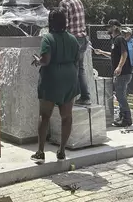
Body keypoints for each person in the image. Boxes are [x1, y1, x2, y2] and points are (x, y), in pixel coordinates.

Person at [31, 8, 80, 163]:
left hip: (51, 79)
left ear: (50, 22)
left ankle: (40, 152)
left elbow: (46, 60)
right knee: (66, 116)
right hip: (70, 78)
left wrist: (37, 60)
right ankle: (62, 151)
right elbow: (76, 60)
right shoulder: (73, 39)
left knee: (44, 116)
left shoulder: (48, 38)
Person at [94, 19, 133, 127]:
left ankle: (127, 119)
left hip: (123, 73)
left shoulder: (120, 39)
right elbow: (113, 55)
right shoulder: (115, 40)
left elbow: (124, 54)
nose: (107, 29)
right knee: (120, 95)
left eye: (109, 27)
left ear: (115, 27)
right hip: (120, 73)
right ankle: (121, 116)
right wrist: (101, 52)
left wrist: (119, 67)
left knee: (120, 96)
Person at [56, 0, 91, 106]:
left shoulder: (64, 3)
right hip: (83, 38)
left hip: (73, 40)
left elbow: (63, 24)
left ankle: (68, 98)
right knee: (80, 68)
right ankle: (85, 97)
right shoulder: (78, 0)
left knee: (71, 69)